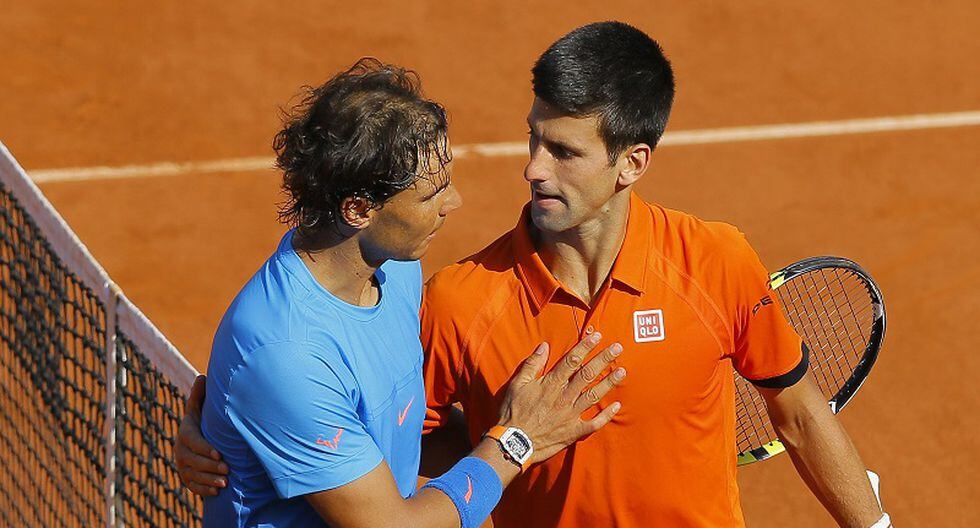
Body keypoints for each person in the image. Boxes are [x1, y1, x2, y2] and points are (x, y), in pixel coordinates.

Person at [180, 23, 892, 528]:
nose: (532, 168)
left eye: (564, 151)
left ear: (631, 163)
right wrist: (234, 437)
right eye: (534, 138)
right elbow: (391, 437)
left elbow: (802, 413)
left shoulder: (715, 261)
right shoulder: (458, 300)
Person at [189, 57, 627, 528]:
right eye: (430, 194)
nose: (453, 202)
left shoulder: (395, 271)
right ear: (359, 210)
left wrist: (538, 443)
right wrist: (517, 442)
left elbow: (404, 429)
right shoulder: (287, 354)